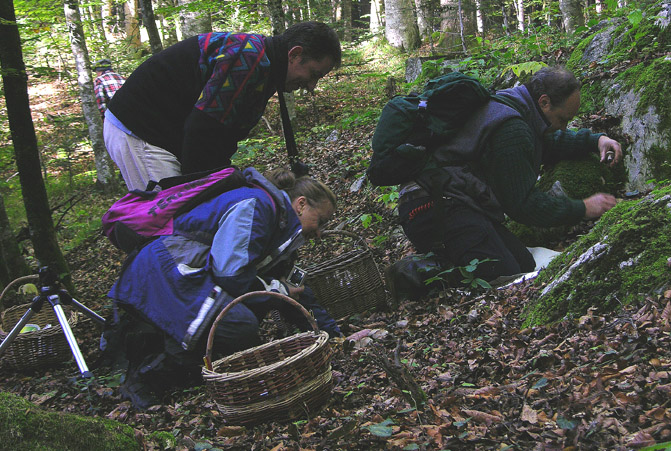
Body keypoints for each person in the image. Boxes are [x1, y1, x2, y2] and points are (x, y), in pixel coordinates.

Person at [106, 167, 341, 409]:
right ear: (301, 204)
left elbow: (294, 289)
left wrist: (332, 336)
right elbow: (232, 276)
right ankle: (145, 379)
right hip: (166, 270)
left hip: (183, 272)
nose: (320, 232)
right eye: (320, 221)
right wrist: (279, 290)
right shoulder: (256, 206)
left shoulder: (281, 224)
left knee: (247, 311)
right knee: (237, 324)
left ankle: (181, 361)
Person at [388, 66, 622, 300]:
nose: (563, 126)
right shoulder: (512, 126)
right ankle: (411, 272)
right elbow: (522, 205)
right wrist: (583, 208)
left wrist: (596, 140)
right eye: (563, 119)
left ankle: (453, 251)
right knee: (500, 273)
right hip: (431, 208)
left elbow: (547, 143)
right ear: (544, 102)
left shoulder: (517, 107)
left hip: (452, 203)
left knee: (523, 263)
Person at [103, 21, 342, 191]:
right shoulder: (248, 58)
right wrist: (216, 189)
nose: (311, 86)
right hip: (140, 131)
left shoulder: (266, 66)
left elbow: (222, 134)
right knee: (173, 224)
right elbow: (202, 132)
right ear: (295, 54)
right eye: (313, 74)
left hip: (164, 132)